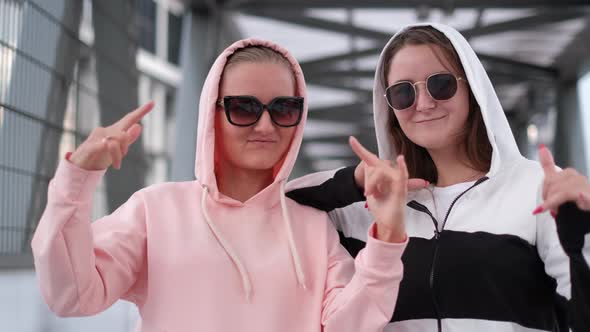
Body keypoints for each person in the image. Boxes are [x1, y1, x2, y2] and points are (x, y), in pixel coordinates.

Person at [30, 39, 411, 332]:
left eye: (283, 109)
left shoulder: (313, 228)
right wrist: (75, 182)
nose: (266, 126)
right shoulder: (155, 210)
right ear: (211, 112)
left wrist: (388, 238)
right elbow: (72, 296)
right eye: (244, 108)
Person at [287, 23, 590, 332]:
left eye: (441, 85)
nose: (424, 103)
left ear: (471, 88)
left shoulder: (538, 187)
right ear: (389, 106)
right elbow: (279, 203)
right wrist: (355, 180)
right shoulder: (369, 206)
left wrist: (584, 232)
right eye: (403, 92)